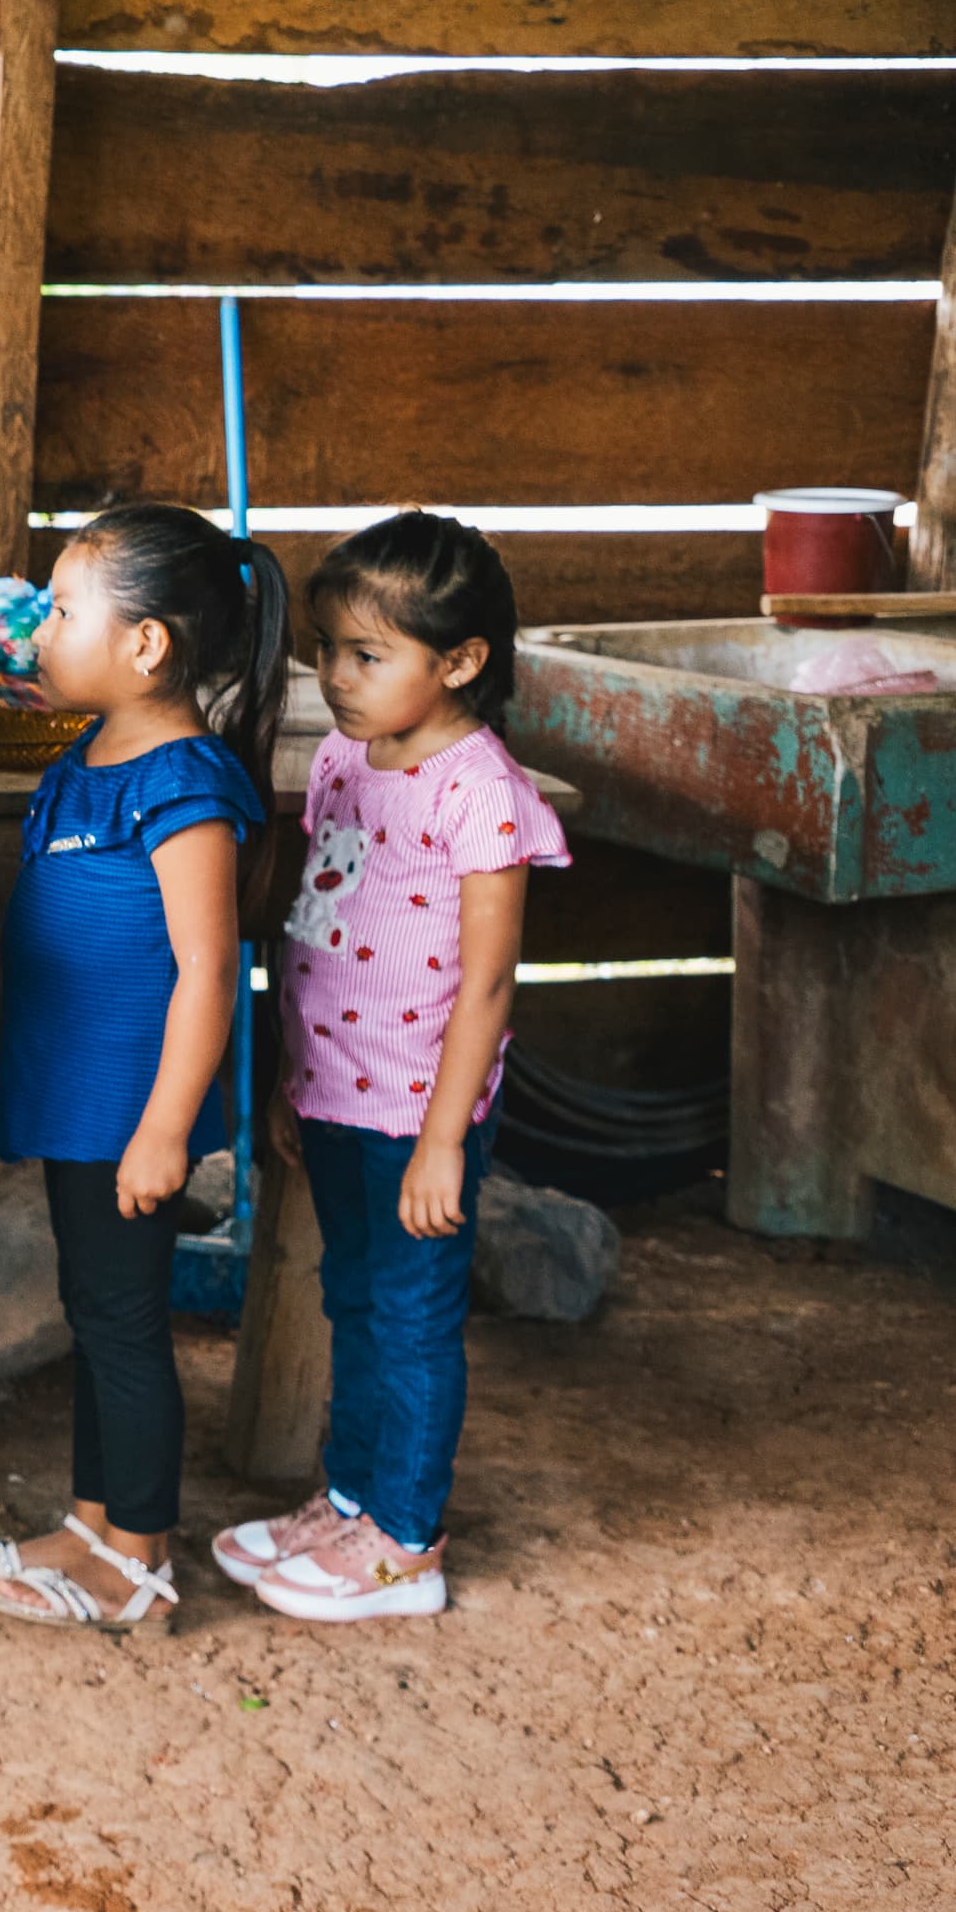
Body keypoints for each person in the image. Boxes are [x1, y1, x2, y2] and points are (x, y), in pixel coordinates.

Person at [219, 512, 563, 1622]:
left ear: (460, 661)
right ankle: (353, 1498)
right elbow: (316, 921)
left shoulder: (482, 792)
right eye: (327, 649)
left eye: (367, 656)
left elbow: (490, 984)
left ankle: (407, 1540)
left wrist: (445, 1141)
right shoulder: (337, 760)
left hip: (421, 1108)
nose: (335, 676)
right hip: (332, 1089)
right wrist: (286, 1080)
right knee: (354, 1300)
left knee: (411, 1320)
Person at [0, 504, 289, 1637]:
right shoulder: (86, 762)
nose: (41, 631)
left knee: (124, 1320)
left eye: (61, 610)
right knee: (97, 1311)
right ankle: (95, 1520)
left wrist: (165, 1128)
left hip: (126, 1109)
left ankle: (139, 1555)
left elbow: (207, 974)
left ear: (147, 644)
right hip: (72, 1095)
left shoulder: (181, 781)